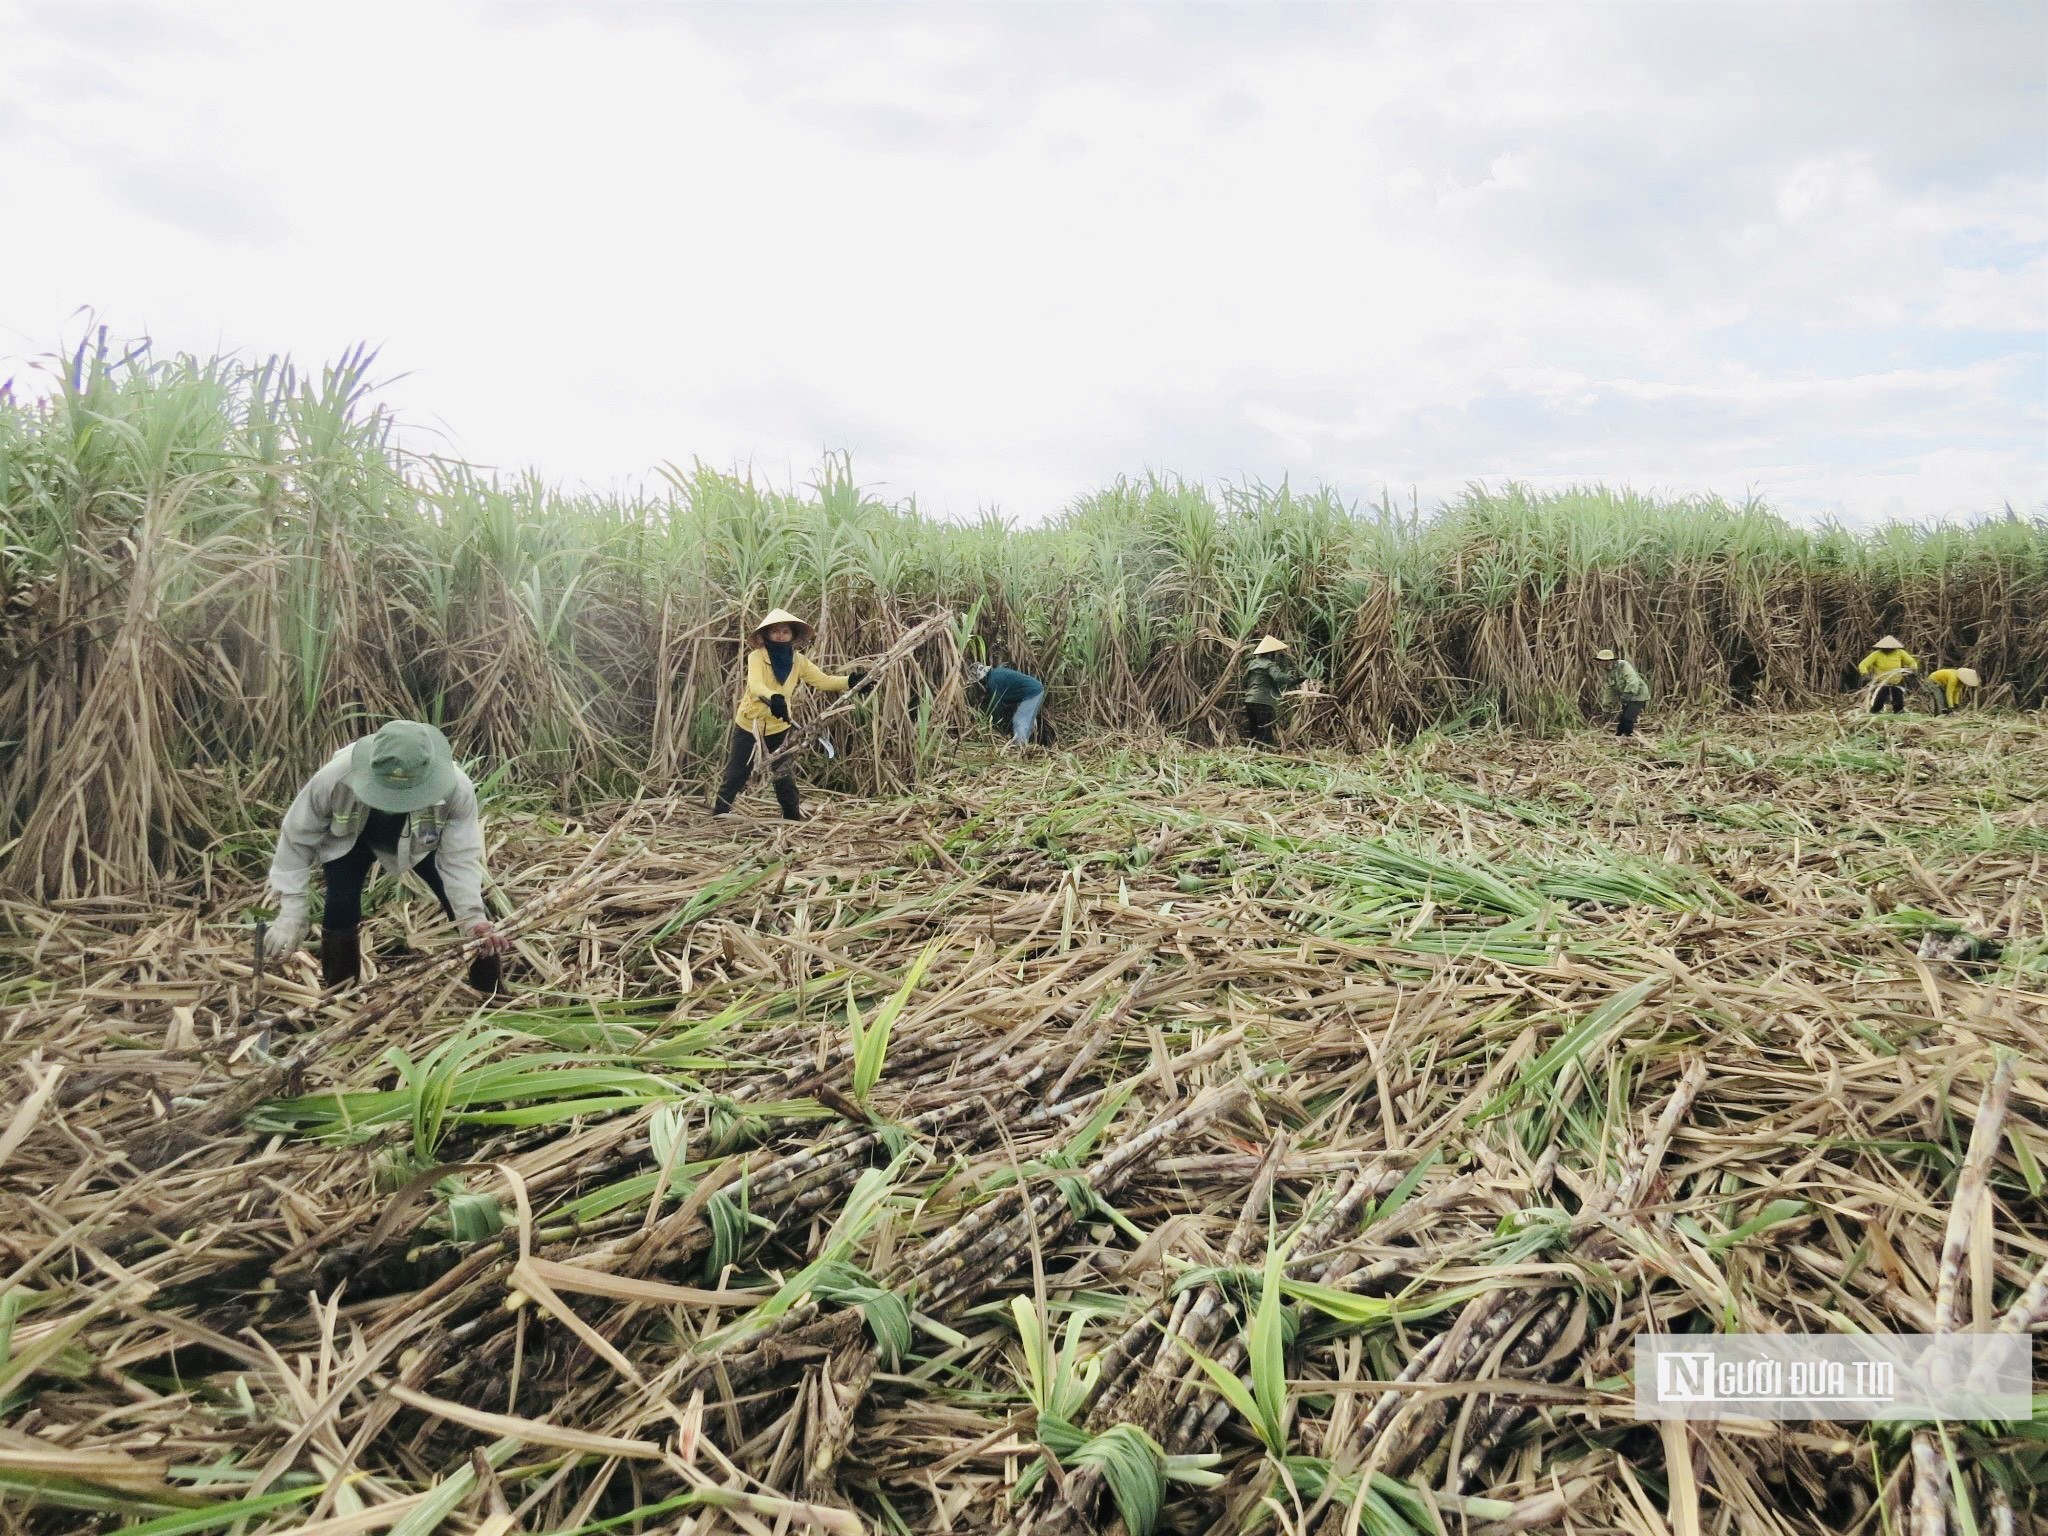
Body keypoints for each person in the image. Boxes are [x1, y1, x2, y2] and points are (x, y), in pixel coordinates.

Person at [262, 719, 507, 992]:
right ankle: (340, 995)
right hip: (351, 840)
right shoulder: (335, 777)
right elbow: (297, 837)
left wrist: (474, 919)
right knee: (341, 905)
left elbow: (460, 858)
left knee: (471, 917)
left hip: (420, 843)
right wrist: (292, 911)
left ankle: (491, 994)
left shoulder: (455, 788)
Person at [712, 608, 868, 820]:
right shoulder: (757, 657)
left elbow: (822, 681)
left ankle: (792, 818)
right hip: (750, 724)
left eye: (785, 631)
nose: (780, 635)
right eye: (775, 631)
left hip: (779, 727)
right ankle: (719, 815)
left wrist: (851, 681)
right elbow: (756, 685)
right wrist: (774, 697)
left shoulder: (798, 661)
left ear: (792, 635)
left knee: (783, 775)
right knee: (737, 773)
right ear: (766, 634)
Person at [966, 660, 1047, 749]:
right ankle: (1026, 746)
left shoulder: (993, 680)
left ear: (981, 678)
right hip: (1035, 690)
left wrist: (994, 724)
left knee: (1019, 720)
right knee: (1024, 721)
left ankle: (1020, 749)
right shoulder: (996, 674)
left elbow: (996, 705)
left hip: (1032, 692)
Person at [1242, 635, 1298, 747]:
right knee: (1264, 729)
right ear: (1271, 653)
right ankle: (1264, 752)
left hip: (1250, 700)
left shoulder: (1252, 664)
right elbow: (1278, 677)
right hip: (1264, 701)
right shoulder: (1270, 665)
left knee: (1254, 729)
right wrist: (1290, 677)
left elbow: (1244, 681)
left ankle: (1252, 752)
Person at [1594, 648, 1651, 736]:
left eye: (1601, 661)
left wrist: (1628, 693)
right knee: (1623, 719)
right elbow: (1610, 690)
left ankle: (1628, 737)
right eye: (1599, 661)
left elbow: (1632, 680)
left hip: (1638, 694)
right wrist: (1606, 708)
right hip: (1626, 697)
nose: (1600, 663)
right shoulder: (1609, 672)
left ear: (1608, 661)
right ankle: (1619, 736)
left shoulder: (1623, 665)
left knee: (1628, 718)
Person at [1858, 635, 1918, 714]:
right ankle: (1875, 711)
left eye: (1890, 648)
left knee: (1898, 696)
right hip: (1882, 682)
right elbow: (1863, 664)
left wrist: (1913, 668)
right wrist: (1864, 672)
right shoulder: (1876, 654)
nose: (1888, 649)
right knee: (1880, 697)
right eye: (1886, 648)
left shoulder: (1900, 653)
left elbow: (1911, 661)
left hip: (1896, 681)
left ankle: (1899, 711)